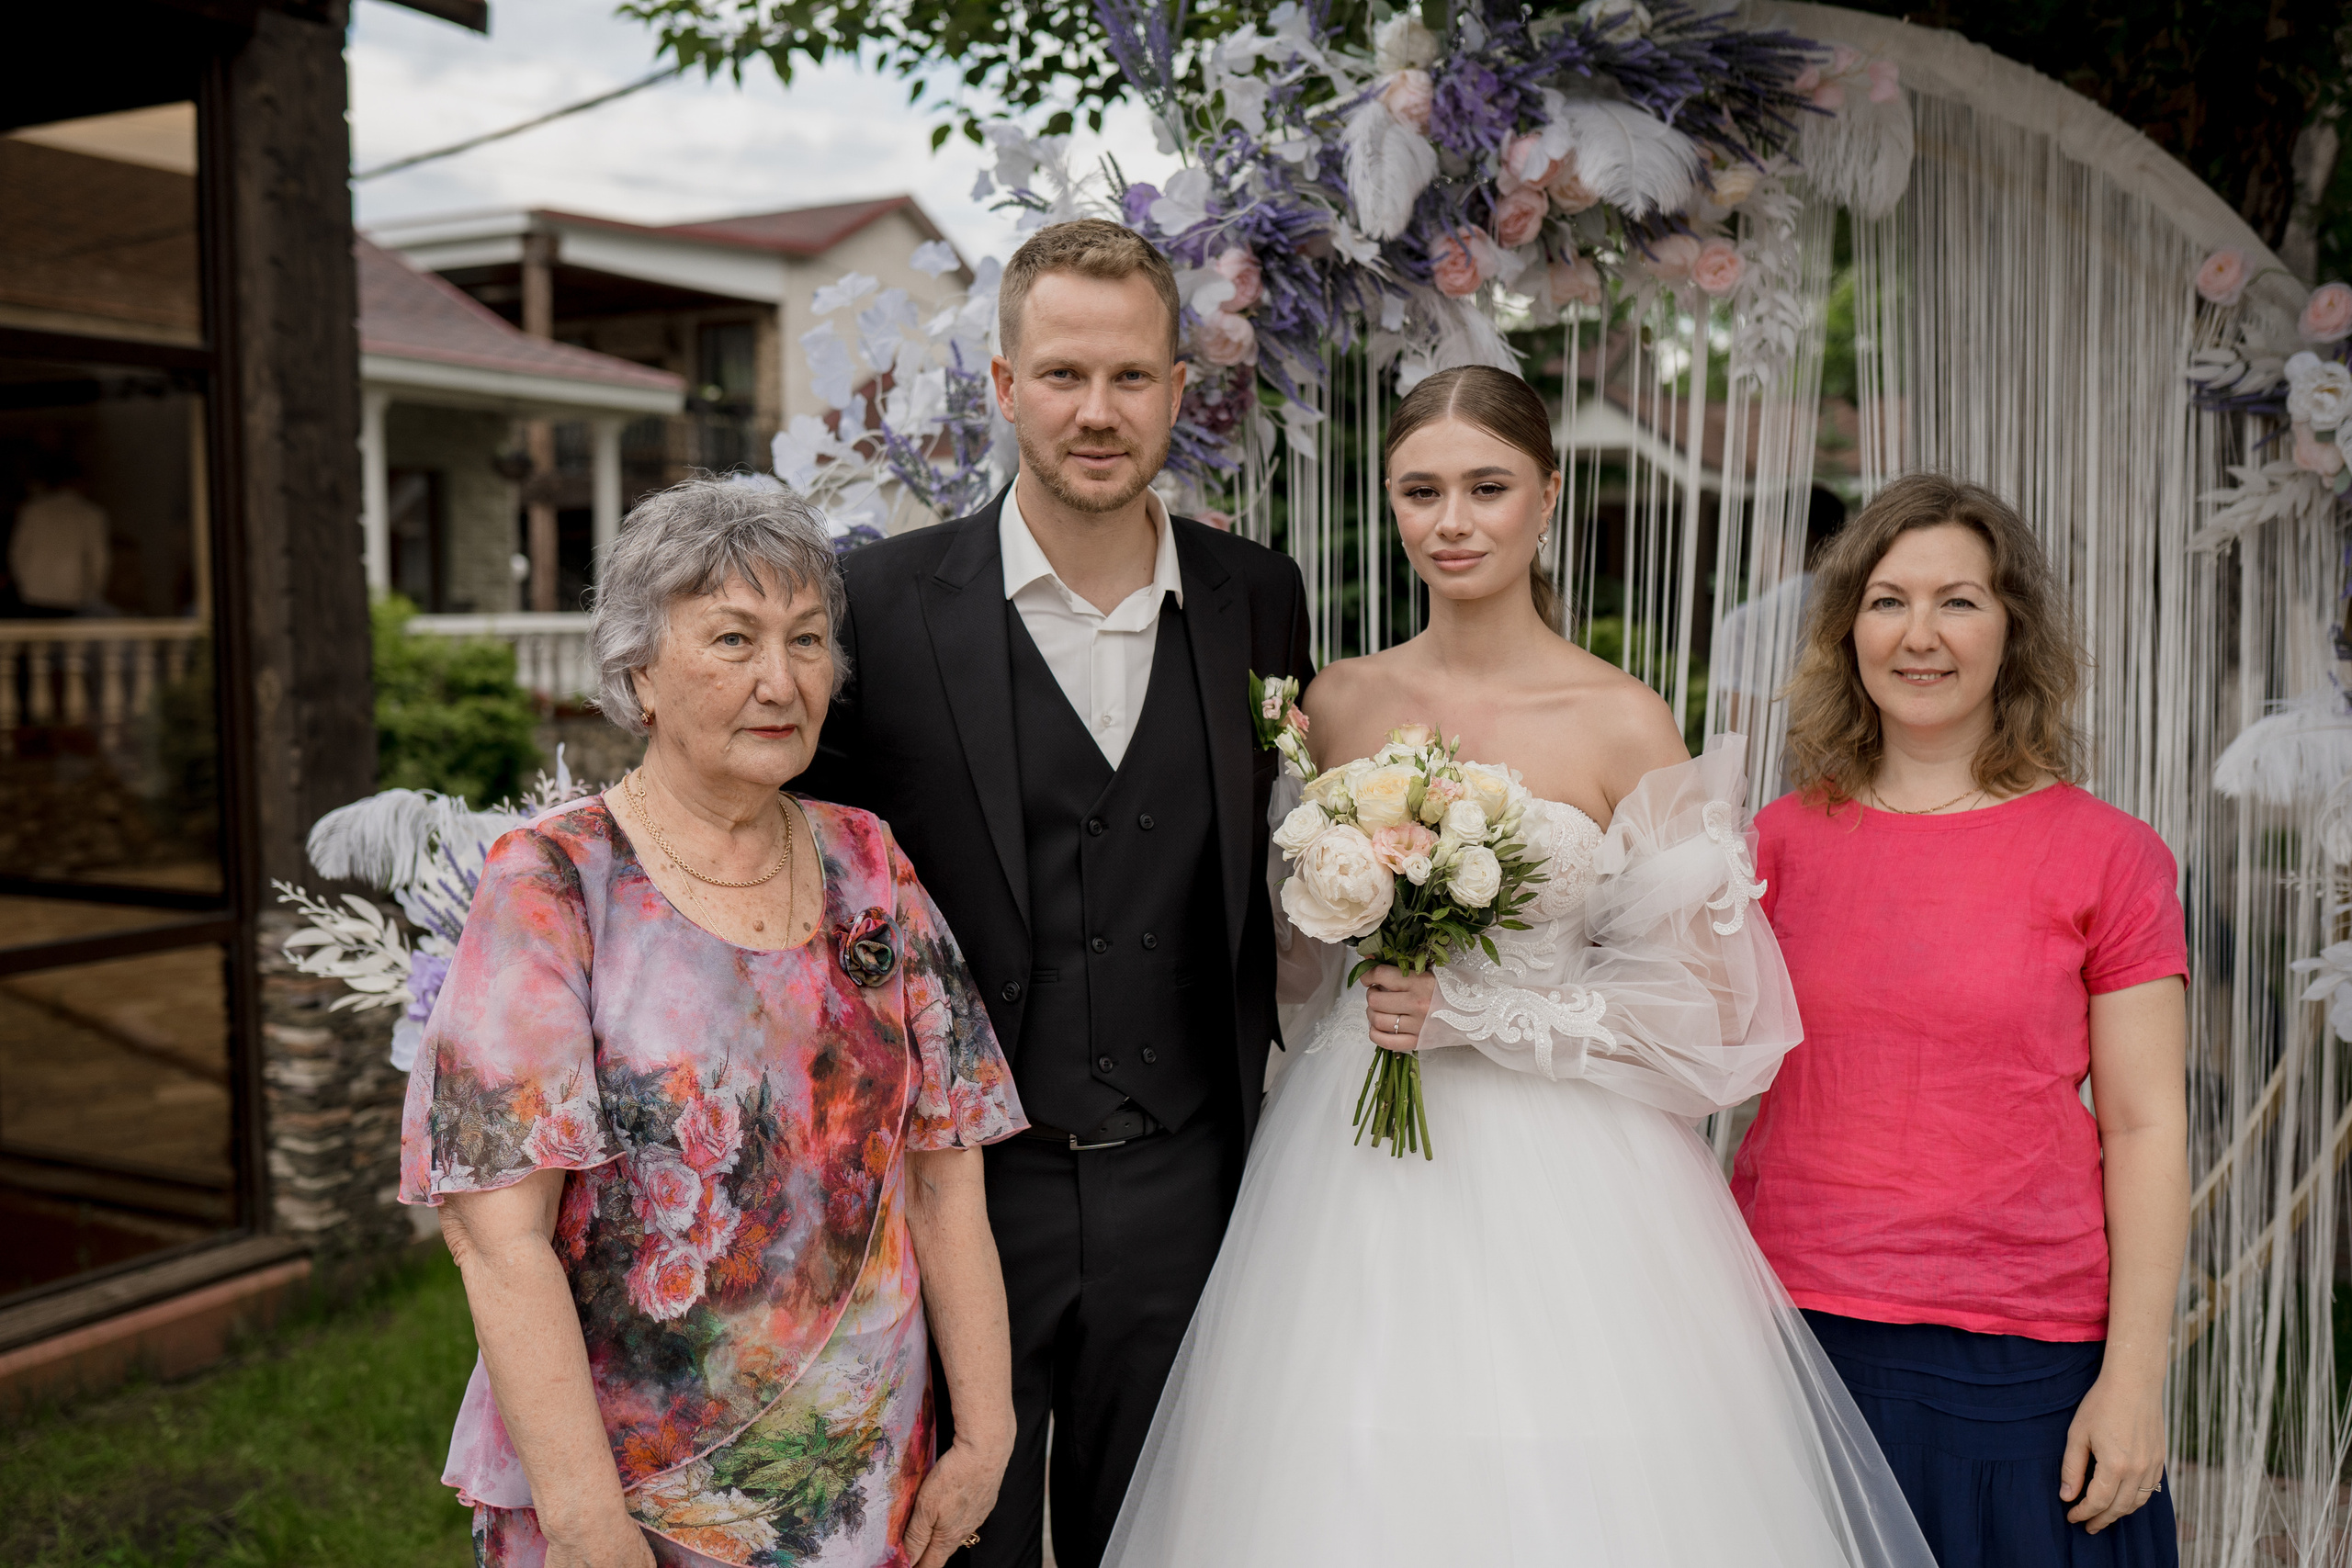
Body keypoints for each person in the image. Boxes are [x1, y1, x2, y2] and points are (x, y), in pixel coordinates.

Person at [1100, 366, 1935, 1567]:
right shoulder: (1331, 703)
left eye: (1487, 487)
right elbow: (1285, 967)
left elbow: (1709, 1015)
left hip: (1570, 1178)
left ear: (1547, 495)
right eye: (1421, 490)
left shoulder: (1623, 719)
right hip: (1344, 1157)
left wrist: (1483, 1012)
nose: (1453, 520)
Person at [795, 218, 1315, 1568]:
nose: (1100, 411)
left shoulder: (1260, 599)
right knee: (942, 1537)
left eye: (1133, 377)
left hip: (1190, 1180)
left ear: (1179, 393)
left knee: (1162, 1531)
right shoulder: (878, 604)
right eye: (1067, 375)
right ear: (1005, 382)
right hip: (959, 1192)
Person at [399, 479, 1027, 1568]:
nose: (779, 681)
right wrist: (591, 1528)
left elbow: (942, 1176)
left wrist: (987, 1431)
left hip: (864, 1476)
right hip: (634, 1492)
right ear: (638, 670)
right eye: (732, 639)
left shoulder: (868, 865)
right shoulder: (553, 883)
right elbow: (497, 1243)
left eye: (807, 640)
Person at [1733, 472, 2189, 1566]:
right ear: (1847, 631)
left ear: (2012, 628)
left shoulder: (2110, 855)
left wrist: (2132, 1379)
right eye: (1887, 601)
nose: (1919, 636)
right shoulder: (1772, 843)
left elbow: (2144, 1126)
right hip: (1795, 1336)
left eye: (1959, 601)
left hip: (2024, 1359)